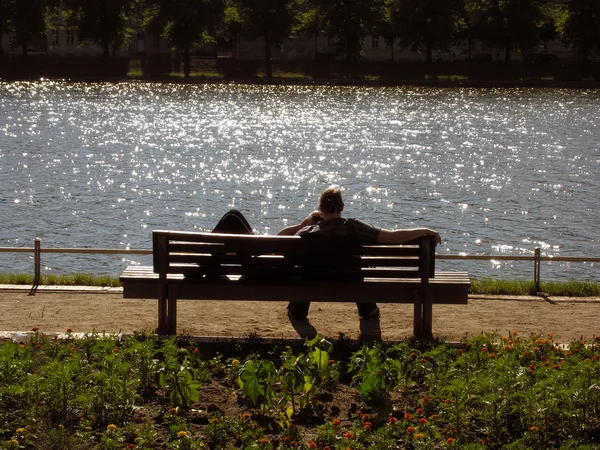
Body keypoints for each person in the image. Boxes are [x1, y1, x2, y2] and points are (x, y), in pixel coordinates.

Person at [287, 185, 442, 321]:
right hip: (349, 279)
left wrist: (301, 226)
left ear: (321, 210)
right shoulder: (355, 227)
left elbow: (282, 245)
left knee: (304, 275)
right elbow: (392, 236)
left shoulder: (307, 233)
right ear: (342, 206)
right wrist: (424, 230)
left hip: (316, 279)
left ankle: (297, 312)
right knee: (358, 277)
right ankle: (369, 312)